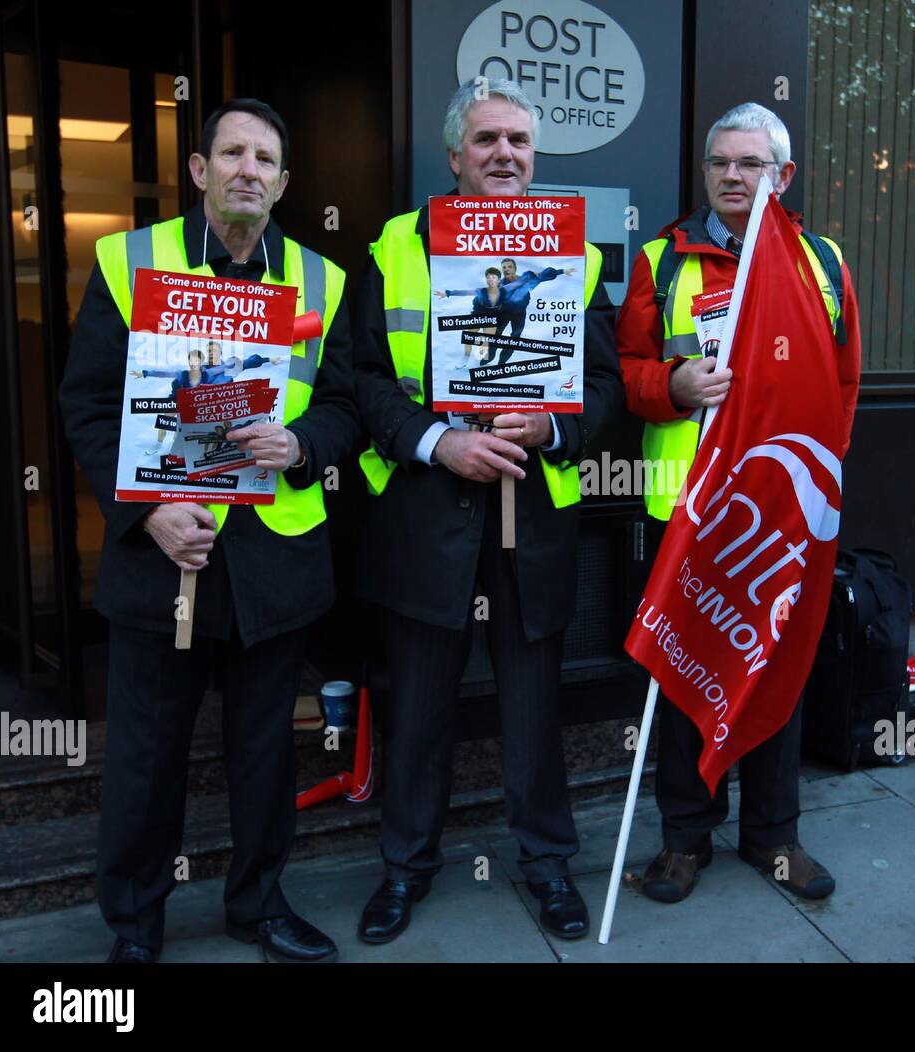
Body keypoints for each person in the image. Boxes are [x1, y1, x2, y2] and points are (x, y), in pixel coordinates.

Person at [59, 98, 357, 964]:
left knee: (264, 755)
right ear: (199, 170)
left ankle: (258, 907)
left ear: (284, 182)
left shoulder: (321, 279)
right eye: (231, 153)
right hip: (162, 556)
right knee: (146, 760)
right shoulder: (128, 261)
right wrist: (146, 511)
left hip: (274, 562)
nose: (247, 171)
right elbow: (85, 405)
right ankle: (136, 928)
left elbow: (342, 407)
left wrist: (302, 442)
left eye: (265, 159)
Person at [352, 79, 623, 944]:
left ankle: (548, 865)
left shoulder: (572, 254)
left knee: (533, 705)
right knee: (420, 705)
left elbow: (611, 387)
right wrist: (438, 441)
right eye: (487, 140)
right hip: (426, 513)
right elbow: (355, 382)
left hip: (531, 518)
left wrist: (554, 423)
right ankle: (405, 869)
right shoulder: (395, 246)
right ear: (454, 155)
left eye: (519, 142)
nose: (505, 154)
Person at [616, 102, 861, 904]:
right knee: (683, 677)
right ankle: (685, 841)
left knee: (775, 674)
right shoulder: (663, 259)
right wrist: (673, 386)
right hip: (684, 511)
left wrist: (815, 491)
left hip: (778, 523)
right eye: (720, 162)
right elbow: (623, 373)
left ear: (781, 177)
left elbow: (843, 383)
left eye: (750, 164)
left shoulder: (821, 263)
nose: (731, 176)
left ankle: (775, 836)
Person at [489, 257, 575, 364]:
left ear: (515, 268)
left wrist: (562, 271)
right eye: (504, 267)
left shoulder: (525, 280)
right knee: (495, 335)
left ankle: (502, 362)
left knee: (515, 338)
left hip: (520, 314)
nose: (507, 269)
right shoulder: (499, 284)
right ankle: (490, 356)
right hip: (503, 312)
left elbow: (542, 276)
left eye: (509, 267)